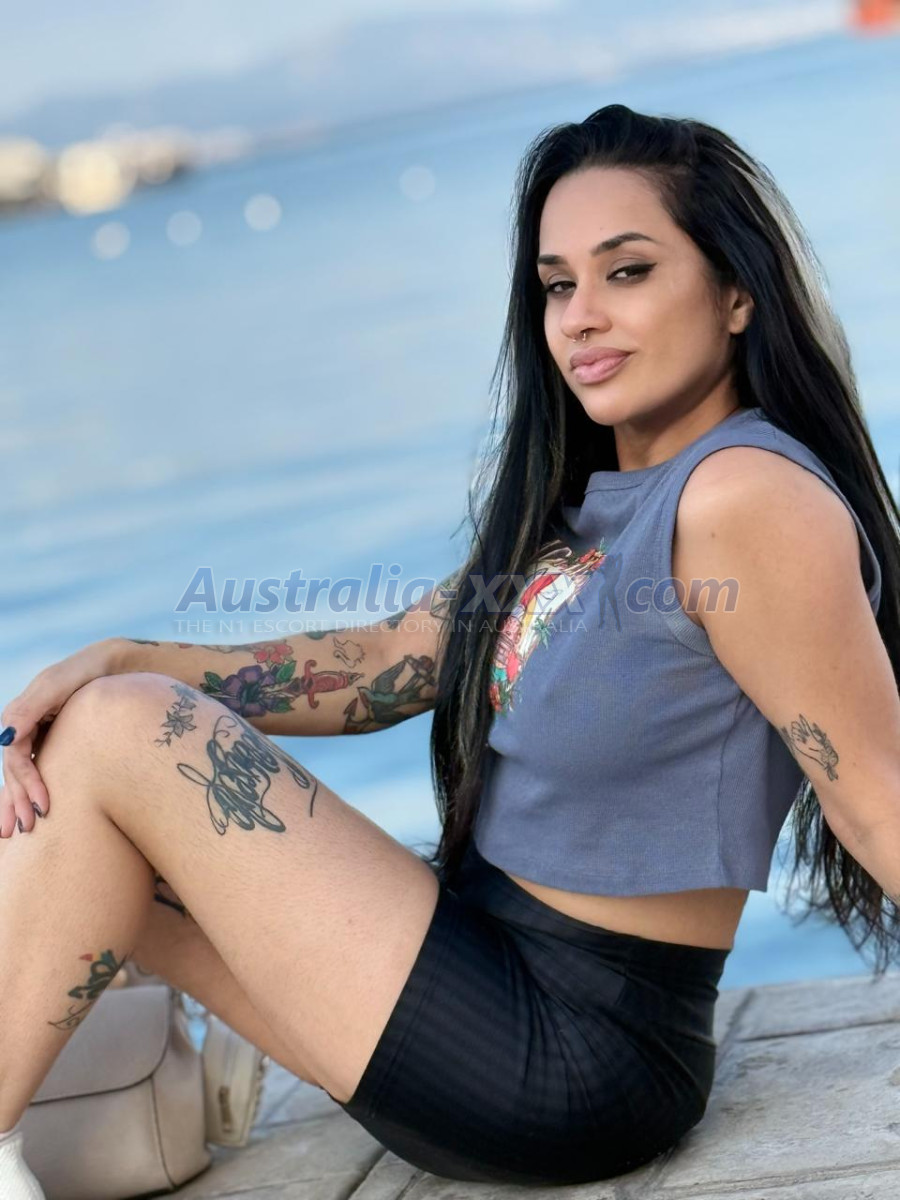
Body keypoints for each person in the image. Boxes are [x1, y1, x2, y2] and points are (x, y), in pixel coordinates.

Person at [2, 102, 900, 1194]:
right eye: (557, 285)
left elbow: (875, 797)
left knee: (122, 732)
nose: (580, 317)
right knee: (79, 786)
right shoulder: (588, 508)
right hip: (480, 968)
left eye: (627, 272)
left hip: (577, 1054)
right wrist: (119, 656)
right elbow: (390, 663)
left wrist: (125, 696)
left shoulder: (745, 499)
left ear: (736, 293)